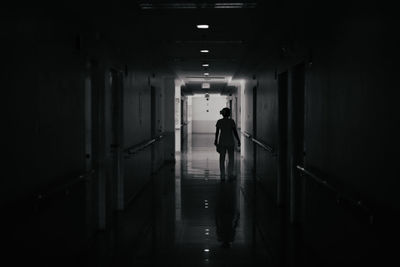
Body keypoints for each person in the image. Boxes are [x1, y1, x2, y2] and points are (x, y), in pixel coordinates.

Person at [214, 107, 240, 180]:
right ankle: (230, 174)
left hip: (222, 142)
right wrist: (238, 140)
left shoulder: (219, 121)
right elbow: (235, 132)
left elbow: (217, 132)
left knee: (222, 158)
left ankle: (222, 175)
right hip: (230, 142)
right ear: (229, 114)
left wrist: (215, 140)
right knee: (231, 158)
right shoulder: (231, 121)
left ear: (222, 114)